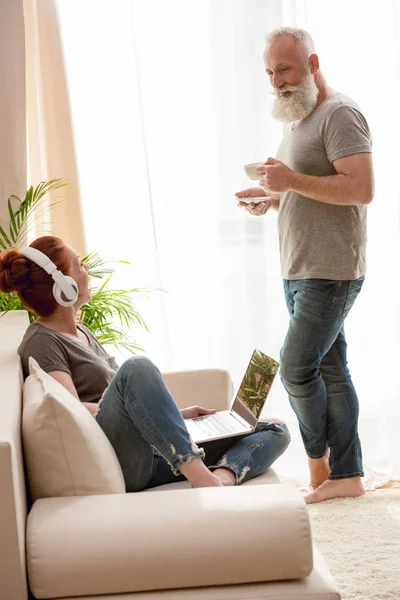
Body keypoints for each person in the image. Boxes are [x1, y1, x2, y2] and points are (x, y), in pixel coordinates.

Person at [0, 235, 290, 492]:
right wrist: (135, 412)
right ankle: (202, 478)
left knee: (274, 428)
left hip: (147, 452)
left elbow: (126, 402)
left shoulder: (81, 332)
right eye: (80, 266)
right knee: (136, 367)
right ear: (64, 286)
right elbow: (72, 407)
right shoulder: (42, 341)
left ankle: (223, 479)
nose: (87, 271)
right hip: (124, 460)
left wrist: (174, 416)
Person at [236, 27, 374, 504]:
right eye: (271, 72)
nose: (277, 81)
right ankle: (347, 476)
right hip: (298, 267)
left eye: (286, 69)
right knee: (332, 370)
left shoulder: (340, 115)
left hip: (331, 269)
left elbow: (360, 189)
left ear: (312, 65)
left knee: (296, 369)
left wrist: (290, 180)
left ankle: (319, 465)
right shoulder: (296, 119)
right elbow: (304, 193)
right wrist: (269, 200)